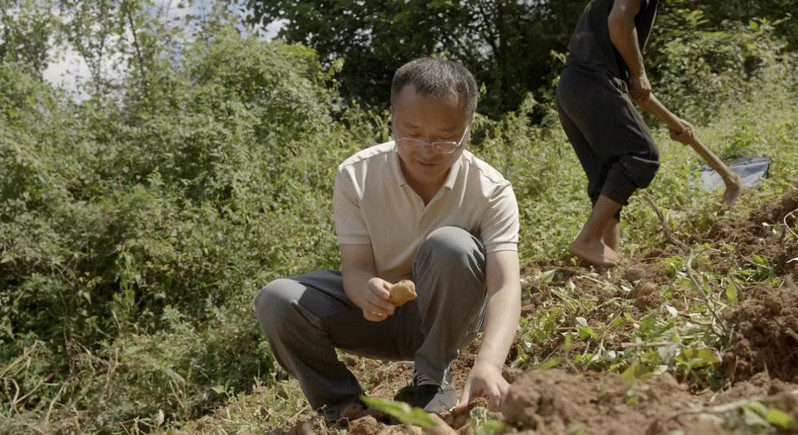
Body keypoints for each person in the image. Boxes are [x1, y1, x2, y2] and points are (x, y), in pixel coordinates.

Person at [254, 57, 521, 422]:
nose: (427, 150)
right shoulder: (357, 176)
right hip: (378, 319)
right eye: (411, 133)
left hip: (450, 318)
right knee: (277, 299)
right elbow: (356, 267)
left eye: (445, 137)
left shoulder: (490, 190)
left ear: (469, 125)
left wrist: (489, 363)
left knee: (451, 245)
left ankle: (431, 377)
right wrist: (366, 289)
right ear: (392, 118)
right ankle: (342, 405)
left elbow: (505, 285)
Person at [556, 0, 694, 268]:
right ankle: (588, 239)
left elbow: (637, 90)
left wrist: (674, 121)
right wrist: (639, 72)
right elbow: (619, 22)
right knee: (643, 155)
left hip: (572, 86)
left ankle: (607, 265)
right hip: (594, 80)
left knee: (607, 177)